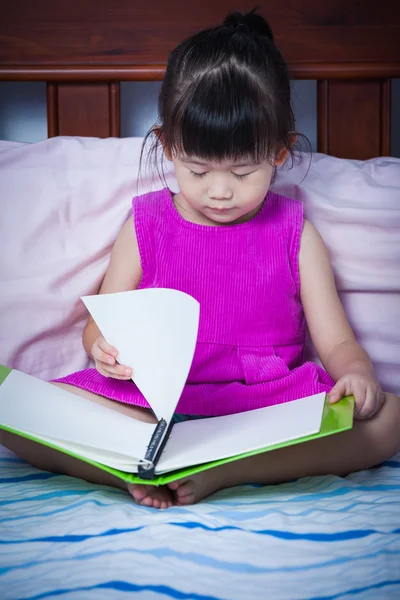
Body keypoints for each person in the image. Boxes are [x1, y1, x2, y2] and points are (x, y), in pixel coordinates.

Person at [1, 9, 399, 510]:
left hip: (261, 411)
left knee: (390, 419)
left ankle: (227, 469)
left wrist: (357, 372)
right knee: (18, 409)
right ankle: (130, 469)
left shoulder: (296, 233)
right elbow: (101, 323)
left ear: (279, 154)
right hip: (154, 405)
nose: (219, 191)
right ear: (168, 146)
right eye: (197, 169)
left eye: (242, 171)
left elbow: (337, 340)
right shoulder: (146, 223)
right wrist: (104, 347)